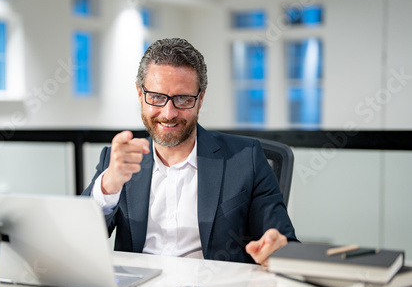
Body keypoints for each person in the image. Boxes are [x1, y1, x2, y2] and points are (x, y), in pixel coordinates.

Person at [83, 38, 297, 265]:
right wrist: (109, 185)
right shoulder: (119, 161)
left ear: (200, 98)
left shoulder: (246, 159)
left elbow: (286, 245)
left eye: (183, 99)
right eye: (156, 97)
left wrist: (276, 249)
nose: (168, 113)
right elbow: (79, 237)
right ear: (140, 94)